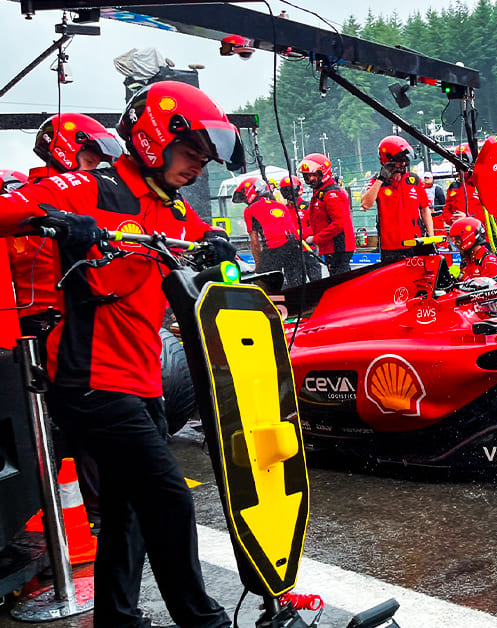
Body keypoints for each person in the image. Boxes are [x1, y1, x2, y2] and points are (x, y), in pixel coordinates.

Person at [0, 80, 238, 628]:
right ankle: (203, 619)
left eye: (205, 158)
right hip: (89, 382)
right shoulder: (89, 188)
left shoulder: (168, 209)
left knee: (129, 509)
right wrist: (54, 220)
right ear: (156, 140)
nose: (199, 166)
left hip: (141, 380)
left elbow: (198, 235)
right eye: (190, 153)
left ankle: (117, 618)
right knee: (169, 498)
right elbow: (10, 208)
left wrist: (216, 244)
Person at [8, 113, 122, 529]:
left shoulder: (91, 199)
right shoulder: (30, 199)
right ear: (67, 150)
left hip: (77, 323)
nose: (96, 168)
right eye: (91, 157)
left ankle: (95, 514)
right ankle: (83, 518)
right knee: (63, 430)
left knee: (88, 428)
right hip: (40, 328)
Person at [360, 136, 432, 264]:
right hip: (390, 247)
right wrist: (381, 178)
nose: (403, 164)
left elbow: (425, 210)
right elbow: (366, 204)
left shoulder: (414, 180)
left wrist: (431, 237)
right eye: (400, 162)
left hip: (415, 243)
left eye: (405, 161)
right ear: (388, 161)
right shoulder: (377, 182)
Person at [236, 176, 303, 288]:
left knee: (265, 285)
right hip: (294, 246)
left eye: (243, 197)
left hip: (273, 248)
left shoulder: (249, 210)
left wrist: (258, 267)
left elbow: (255, 243)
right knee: (296, 284)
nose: (244, 200)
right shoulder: (281, 206)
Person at [299, 152, 356, 275]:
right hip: (331, 247)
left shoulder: (331, 194)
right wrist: (303, 235)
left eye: (313, 175)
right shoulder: (320, 193)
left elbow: (339, 224)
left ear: (322, 173)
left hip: (339, 247)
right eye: (307, 176)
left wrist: (316, 238)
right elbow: (318, 223)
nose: (310, 179)